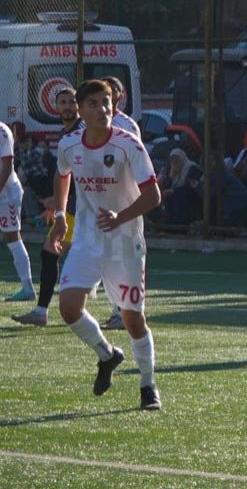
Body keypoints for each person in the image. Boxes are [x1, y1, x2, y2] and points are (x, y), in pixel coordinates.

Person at [46, 79, 162, 410]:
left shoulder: (129, 145)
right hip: (87, 239)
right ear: (81, 111)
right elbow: (62, 173)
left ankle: (147, 384)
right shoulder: (69, 145)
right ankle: (107, 355)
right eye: (94, 104)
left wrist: (120, 216)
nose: (103, 109)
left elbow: (153, 195)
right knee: (68, 307)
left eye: (107, 102)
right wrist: (59, 217)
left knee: (132, 318)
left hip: (124, 243)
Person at [12, 89, 81, 327]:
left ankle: (43, 311)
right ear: (56, 106)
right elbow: (63, 175)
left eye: (72, 102)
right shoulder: (66, 135)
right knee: (51, 250)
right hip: (72, 208)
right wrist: (57, 204)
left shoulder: (81, 133)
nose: (68, 107)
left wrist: (59, 202)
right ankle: (41, 311)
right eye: (63, 102)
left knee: (54, 250)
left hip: (84, 208)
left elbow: (80, 174)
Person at [98, 76, 141, 330]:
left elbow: (134, 161)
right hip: (102, 197)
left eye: (112, 92)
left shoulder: (127, 125)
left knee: (122, 254)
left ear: (120, 96)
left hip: (123, 197)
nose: (108, 96)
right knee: (106, 254)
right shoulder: (92, 122)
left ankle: (124, 310)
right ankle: (118, 308)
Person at [1, 121, 34, 302]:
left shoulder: (2, 131)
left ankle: (28, 288)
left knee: (12, 237)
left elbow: (7, 165)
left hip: (6, 194)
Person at [160, 148, 202, 227]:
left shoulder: (191, 168)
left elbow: (191, 187)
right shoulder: (174, 170)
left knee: (179, 198)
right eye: (172, 160)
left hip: (191, 197)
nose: (175, 163)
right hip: (178, 195)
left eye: (177, 160)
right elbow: (168, 186)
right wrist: (171, 177)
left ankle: (179, 226)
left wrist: (174, 191)